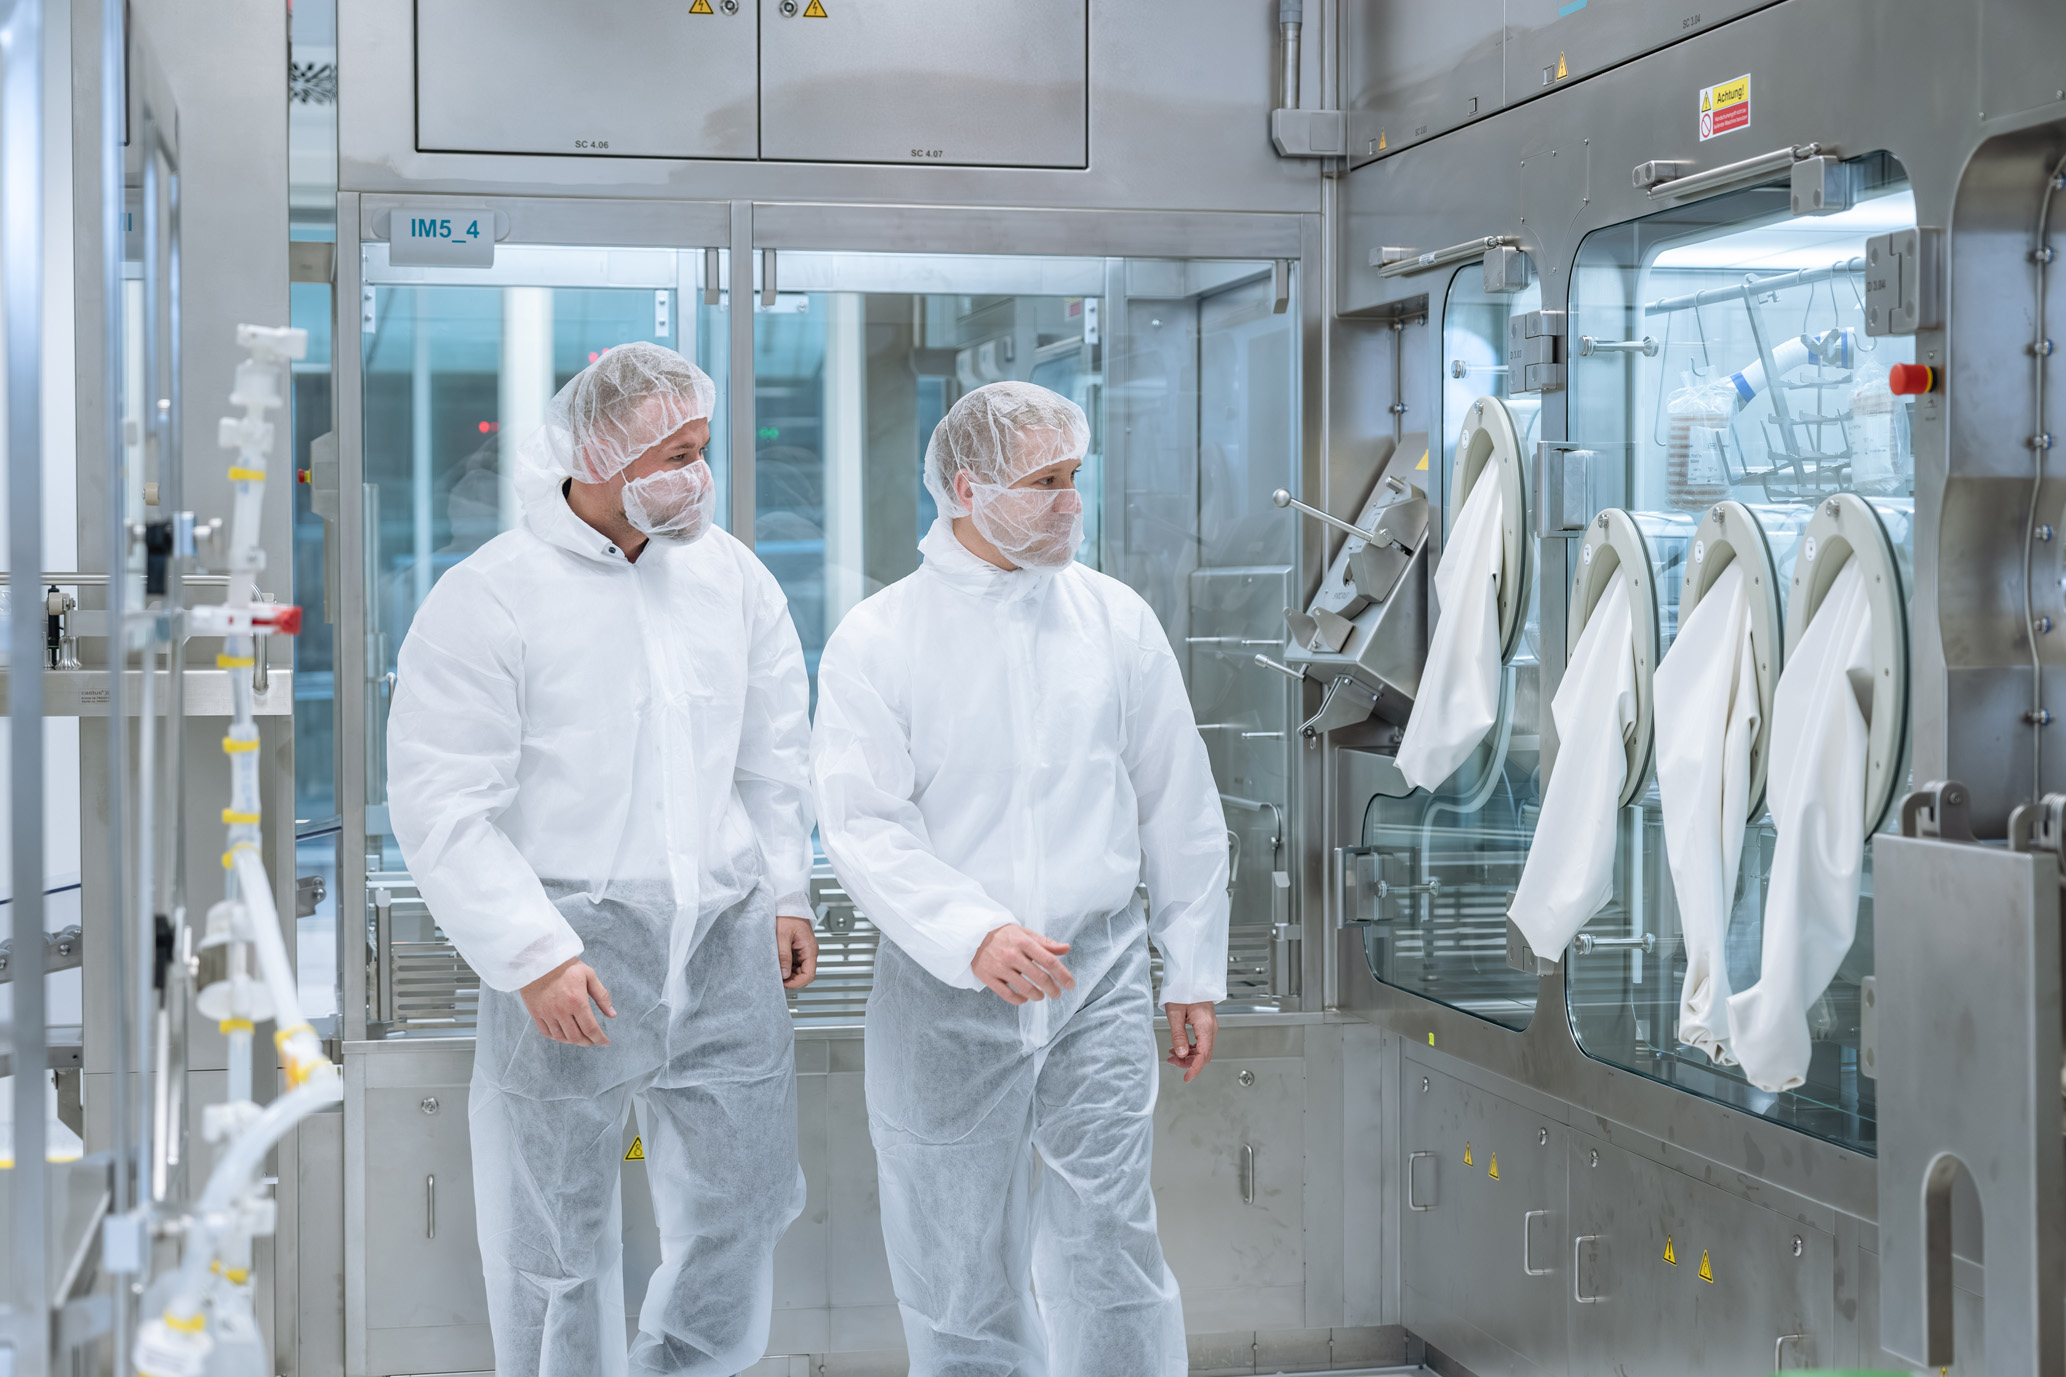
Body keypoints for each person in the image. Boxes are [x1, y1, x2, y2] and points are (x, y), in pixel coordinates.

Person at [387, 342, 818, 1377]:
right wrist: (531, 951)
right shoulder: (491, 596)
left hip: (721, 935)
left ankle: (685, 1368)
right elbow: (442, 799)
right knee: (554, 1231)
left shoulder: (730, 578)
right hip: (574, 944)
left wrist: (787, 889)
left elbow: (771, 756)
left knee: (747, 1200)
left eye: (701, 449)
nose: (697, 474)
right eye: (675, 453)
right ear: (598, 452)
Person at [811, 380, 1230, 1375]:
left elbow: (1176, 795)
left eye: (1072, 478)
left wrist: (1192, 968)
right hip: (946, 987)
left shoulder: (1111, 621)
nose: (1070, 503)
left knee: (1110, 1243)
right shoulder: (880, 638)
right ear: (968, 488)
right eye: (1045, 482)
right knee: (955, 1259)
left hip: (1098, 973)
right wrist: (971, 934)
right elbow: (863, 825)